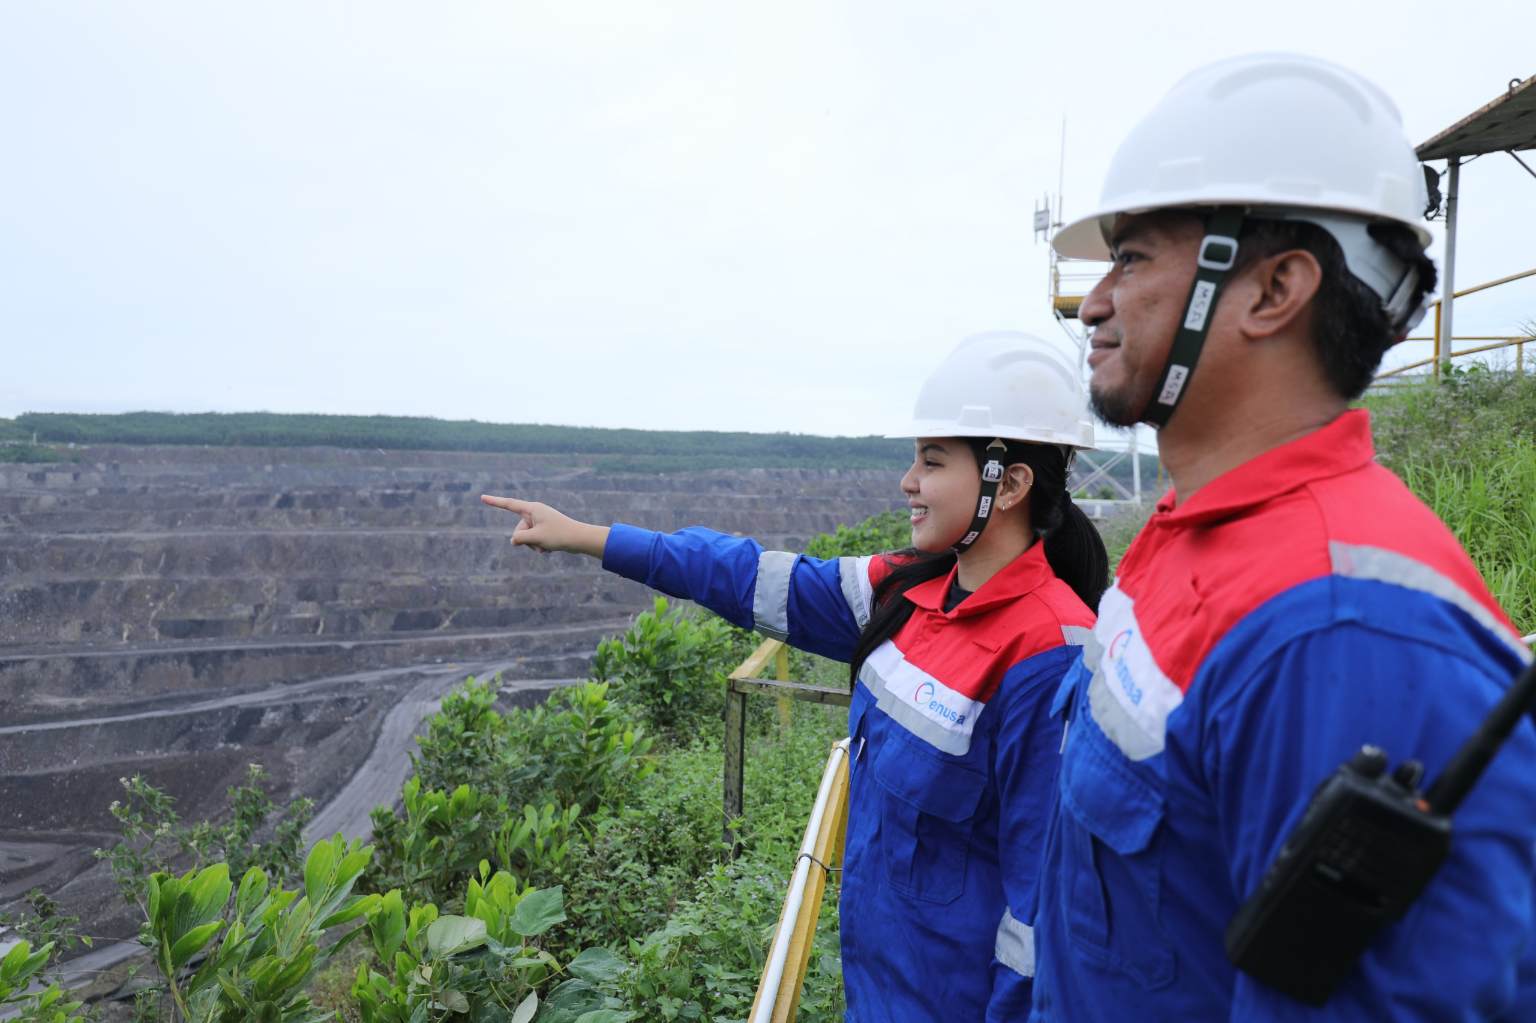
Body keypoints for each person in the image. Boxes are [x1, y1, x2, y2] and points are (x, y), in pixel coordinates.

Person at [1029, 53, 1536, 1021]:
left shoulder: (1343, 633)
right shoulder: (1191, 535)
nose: (1094, 302)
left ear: (1274, 291)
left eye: (1132, 258)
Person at [482, 332, 1108, 1021]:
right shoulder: (898, 592)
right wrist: (588, 535)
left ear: (1010, 483)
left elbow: (1043, 919)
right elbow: (744, 573)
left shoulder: (1050, 652)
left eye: (932, 462)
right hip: (877, 992)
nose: (908, 482)